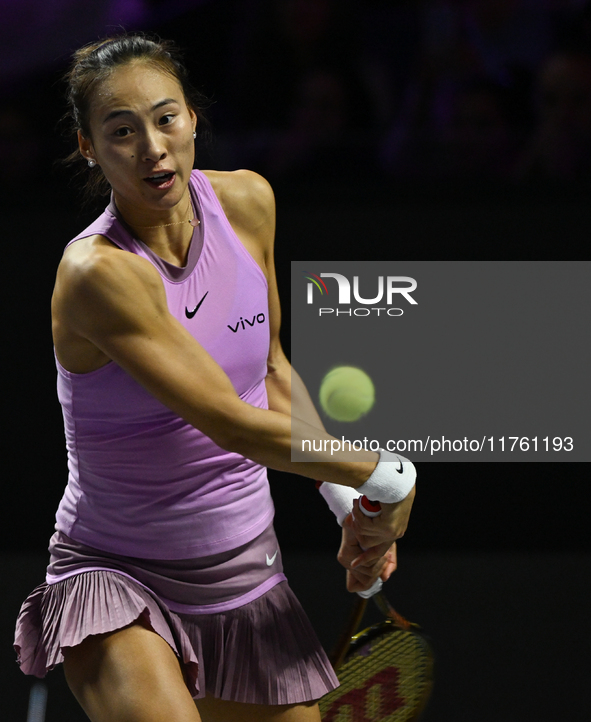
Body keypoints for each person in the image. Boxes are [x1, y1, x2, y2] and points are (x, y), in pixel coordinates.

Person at [14, 34, 416, 722]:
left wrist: (343, 501)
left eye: (166, 118)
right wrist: (380, 475)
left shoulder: (248, 203)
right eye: (121, 131)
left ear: (194, 118)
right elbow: (225, 418)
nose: (152, 147)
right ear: (89, 147)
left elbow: (268, 375)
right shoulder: (97, 273)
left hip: (247, 576)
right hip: (119, 575)